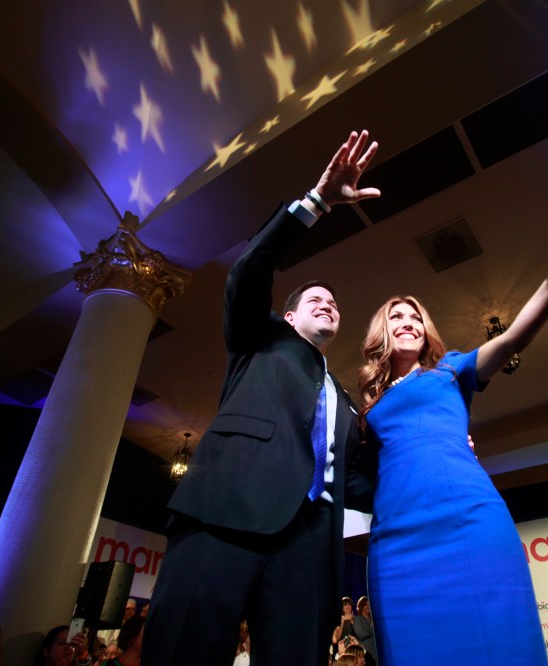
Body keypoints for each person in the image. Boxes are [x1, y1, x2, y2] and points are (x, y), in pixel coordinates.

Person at [142, 130, 380, 666]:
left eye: (334, 303)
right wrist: (317, 202)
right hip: (224, 516)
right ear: (289, 316)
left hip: (310, 546)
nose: (328, 304)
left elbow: (358, 479)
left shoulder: (343, 401)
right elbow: (248, 272)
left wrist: (436, 449)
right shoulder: (259, 338)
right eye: (315, 299)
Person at [356, 210, 548, 664]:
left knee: (500, 642)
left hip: (468, 521)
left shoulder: (452, 369)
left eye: (416, 316)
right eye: (397, 316)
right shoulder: (368, 407)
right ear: (383, 330)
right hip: (397, 541)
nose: (408, 322)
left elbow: (513, 337)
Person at [351, 597, 376, 666]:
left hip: (376, 651)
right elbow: (361, 635)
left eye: (369, 604)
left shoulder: (373, 618)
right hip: (366, 652)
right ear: (361, 606)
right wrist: (371, 627)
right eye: (365, 605)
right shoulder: (357, 619)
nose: (368, 607)